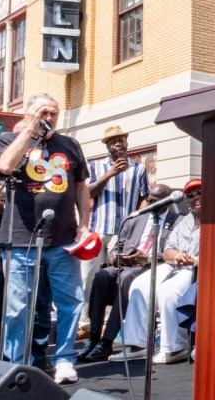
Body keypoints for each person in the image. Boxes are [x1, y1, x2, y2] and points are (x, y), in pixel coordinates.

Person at [0, 93, 91, 384]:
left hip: (63, 239)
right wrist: (29, 131)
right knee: (18, 309)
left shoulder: (70, 145)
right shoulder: (9, 140)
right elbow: (5, 167)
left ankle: (64, 360)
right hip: (20, 240)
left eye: (53, 113)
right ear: (28, 113)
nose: (48, 118)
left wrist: (84, 224)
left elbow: (81, 186)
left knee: (70, 302)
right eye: (42, 112)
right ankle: (17, 365)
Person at [77, 184, 180, 362]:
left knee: (126, 278)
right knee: (102, 276)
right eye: (150, 200)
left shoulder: (177, 221)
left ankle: (107, 342)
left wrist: (148, 257)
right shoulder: (136, 219)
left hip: (152, 267)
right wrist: (114, 256)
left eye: (156, 201)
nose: (151, 204)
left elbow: (174, 252)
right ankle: (94, 338)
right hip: (125, 264)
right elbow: (117, 246)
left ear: (167, 202)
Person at [110, 179, 200, 365]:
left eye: (200, 192)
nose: (196, 197)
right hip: (175, 263)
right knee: (140, 285)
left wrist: (190, 259)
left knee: (168, 290)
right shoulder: (185, 221)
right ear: (186, 200)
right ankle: (138, 345)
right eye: (191, 195)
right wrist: (177, 256)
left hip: (197, 267)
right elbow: (168, 250)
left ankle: (175, 347)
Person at [78, 125, 149, 340]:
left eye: (120, 139)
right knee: (87, 277)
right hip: (98, 230)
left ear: (126, 142)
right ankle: (85, 324)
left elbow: (144, 198)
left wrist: (140, 220)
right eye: (112, 141)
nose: (117, 144)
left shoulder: (139, 169)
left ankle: (108, 325)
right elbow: (87, 193)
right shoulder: (95, 166)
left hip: (123, 234)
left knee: (113, 278)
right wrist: (110, 174)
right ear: (107, 146)